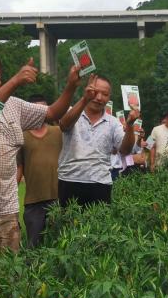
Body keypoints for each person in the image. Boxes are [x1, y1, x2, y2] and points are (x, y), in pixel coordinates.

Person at [0, 55, 80, 253]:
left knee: (8, 271)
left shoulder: (15, 105)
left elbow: (52, 113)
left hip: (5, 206)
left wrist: (71, 86)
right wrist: (16, 80)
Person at [58, 75, 139, 206]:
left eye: (105, 94)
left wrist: (130, 125)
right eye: (95, 92)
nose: (99, 98)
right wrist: (84, 99)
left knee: (99, 224)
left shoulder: (113, 122)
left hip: (101, 183)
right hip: (70, 180)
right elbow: (64, 125)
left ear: (109, 97)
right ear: (87, 91)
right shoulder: (71, 112)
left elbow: (125, 150)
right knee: (69, 224)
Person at [16, 95, 63, 247]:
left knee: (59, 244)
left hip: (58, 198)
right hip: (33, 201)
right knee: (34, 246)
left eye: (43, 109)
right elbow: (19, 168)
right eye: (35, 109)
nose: (39, 113)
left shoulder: (58, 132)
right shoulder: (21, 136)